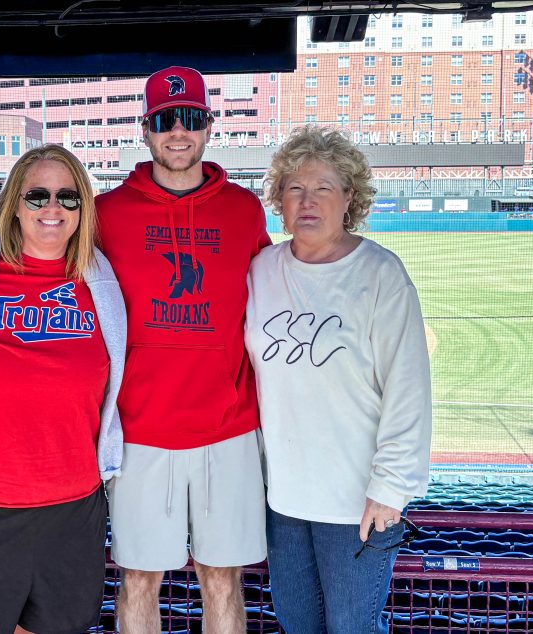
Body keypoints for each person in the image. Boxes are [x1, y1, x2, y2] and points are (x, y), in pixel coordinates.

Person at [0, 145, 126, 634]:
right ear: (13, 202)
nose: (52, 208)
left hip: (72, 512)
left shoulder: (101, 279)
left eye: (67, 197)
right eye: (37, 195)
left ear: (83, 208)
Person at [95, 65, 272, 633]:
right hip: (140, 430)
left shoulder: (243, 210)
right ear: (145, 130)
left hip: (228, 428)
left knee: (222, 577)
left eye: (190, 119)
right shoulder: (107, 213)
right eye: (165, 120)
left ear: (208, 126)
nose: (178, 132)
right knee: (138, 579)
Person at [245, 126, 432, 633]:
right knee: (298, 624)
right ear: (279, 201)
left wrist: (391, 488)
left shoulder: (380, 274)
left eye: (323, 188)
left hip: (357, 503)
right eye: (294, 188)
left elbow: (408, 390)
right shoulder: (260, 270)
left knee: (353, 627)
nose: (308, 201)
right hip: (282, 500)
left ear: (349, 197)